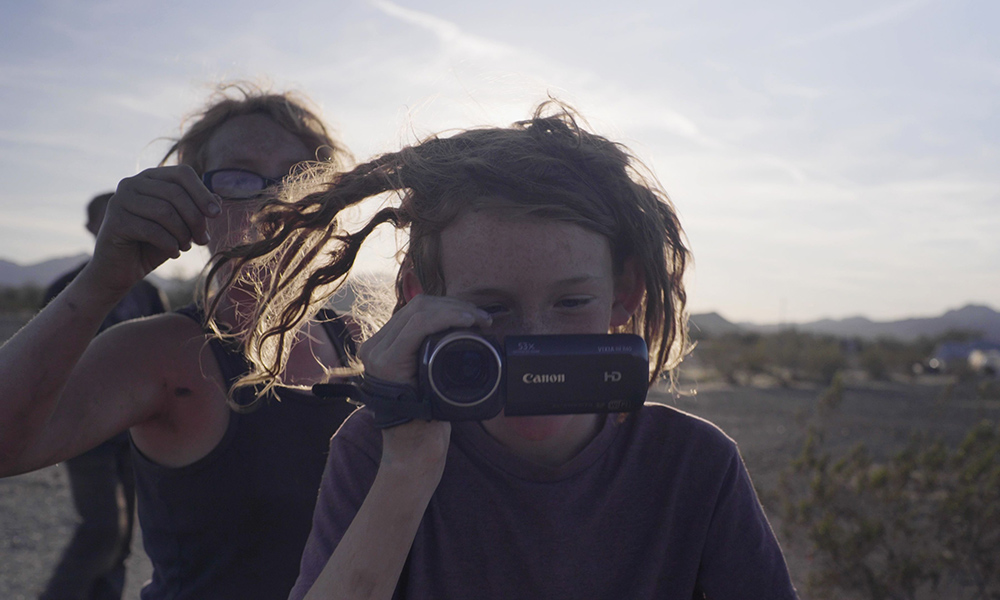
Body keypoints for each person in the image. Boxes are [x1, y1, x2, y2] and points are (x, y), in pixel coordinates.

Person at [212, 101, 800, 599]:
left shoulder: (693, 466)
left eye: (571, 303)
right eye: (490, 309)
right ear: (420, 297)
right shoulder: (377, 450)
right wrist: (409, 467)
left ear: (624, 296)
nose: (535, 339)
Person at [0, 84, 358, 600]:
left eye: (299, 177)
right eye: (240, 176)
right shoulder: (165, 353)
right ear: (197, 207)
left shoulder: (364, 341)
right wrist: (102, 280)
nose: (274, 198)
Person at [39, 192, 168, 600]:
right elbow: (43, 360)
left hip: (133, 434)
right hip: (82, 429)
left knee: (125, 536)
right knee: (103, 528)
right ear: (93, 228)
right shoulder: (65, 288)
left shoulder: (148, 293)